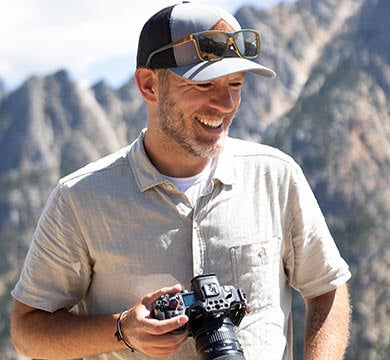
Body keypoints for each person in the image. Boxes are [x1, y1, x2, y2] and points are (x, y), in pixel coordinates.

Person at [10, 2, 352, 360]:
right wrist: (123, 330)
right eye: (204, 84)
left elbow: (327, 287)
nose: (225, 103)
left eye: (235, 83)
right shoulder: (79, 199)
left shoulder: (276, 176)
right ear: (148, 85)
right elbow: (28, 330)